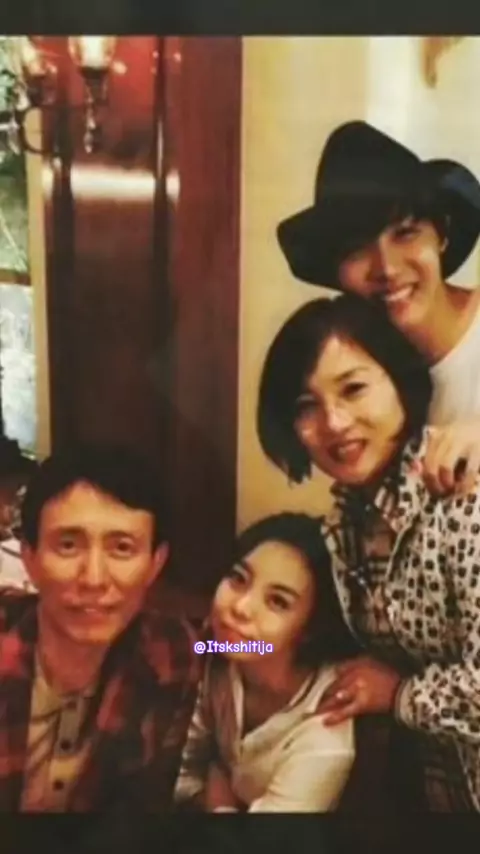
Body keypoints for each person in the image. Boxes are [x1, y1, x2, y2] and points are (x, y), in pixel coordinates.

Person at [257, 293, 480, 811]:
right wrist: (206, 646)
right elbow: (274, 648)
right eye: (306, 406)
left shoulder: (464, 496)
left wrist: (397, 694)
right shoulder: (340, 534)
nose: (334, 422)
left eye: (354, 389)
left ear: (400, 382)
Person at [277, 120, 480, 494]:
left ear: (442, 235)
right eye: (357, 248)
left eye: (405, 233)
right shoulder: (364, 375)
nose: (387, 268)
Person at [0, 444, 201, 813]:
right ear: (29, 558)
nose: (94, 578)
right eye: (68, 546)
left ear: (155, 563)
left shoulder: (173, 648)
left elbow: (227, 648)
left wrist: (286, 651)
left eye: (122, 548)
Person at [175, 513, 355, 812]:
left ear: (310, 629)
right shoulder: (216, 652)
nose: (241, 607)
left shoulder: (325, 733)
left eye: (278, 602)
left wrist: (218, 804)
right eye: (238, 579)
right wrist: (202, 793)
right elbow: (177, 770)